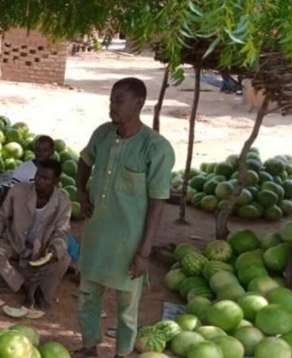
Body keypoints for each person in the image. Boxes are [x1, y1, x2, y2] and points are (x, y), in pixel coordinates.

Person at [73, 77, 175, 358]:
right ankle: (90, 347)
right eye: (111, 100)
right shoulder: (103, 134)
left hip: (129, 243)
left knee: (127, 307)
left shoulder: (156, 148)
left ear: (139, 103)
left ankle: (122, 353)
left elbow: (157, 204)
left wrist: (144, 252)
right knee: (87, 298)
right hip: (97, 236)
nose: (112, 106)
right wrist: (81, 193)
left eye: (119, 100)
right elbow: (84, 161)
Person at [0, 160, 72, 309]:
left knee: (64, 259)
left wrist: (54, 248)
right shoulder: (19, 191)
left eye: (46, 179)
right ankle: (24, 286)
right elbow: (2, 216)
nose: (39, 181)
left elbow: (62, 232)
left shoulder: (63, 203)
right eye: (38, 176)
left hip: (42, 246)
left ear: (56, 181)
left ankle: (41, 292)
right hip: (14, 240)